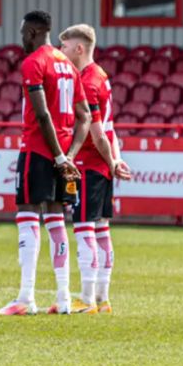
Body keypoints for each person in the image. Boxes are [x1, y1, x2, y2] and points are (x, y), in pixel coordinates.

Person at [0, 11, 92, 316]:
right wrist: (69, 155)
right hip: (63, 152)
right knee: (56, 219)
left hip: (38, 150)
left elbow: (42, 114)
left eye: (24, 33)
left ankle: (25, 297)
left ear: (34, 32)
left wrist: (59, 156)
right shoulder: (69, 66)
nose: (22, 38)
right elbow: (85, 116)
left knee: (27, 216)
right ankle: (63, 298)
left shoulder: (34, 62)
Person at [59, 24, 131, 314]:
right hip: (101, 165)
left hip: (89, 164)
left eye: (64, 47)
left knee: (84, 226)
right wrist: (115, 159)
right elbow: (111, 130)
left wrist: (112, 161)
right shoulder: (101, 76)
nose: (61, 52)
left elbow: (98, 133)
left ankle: (87, 298)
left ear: (79, 48)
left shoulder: (87, 82)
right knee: (101, 228)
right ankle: (102, 298)